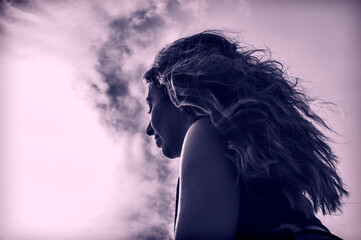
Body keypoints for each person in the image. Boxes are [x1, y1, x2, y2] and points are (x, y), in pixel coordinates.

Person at [144, 30, 348, 240]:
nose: (149, 129)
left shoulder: (208, 131)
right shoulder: (250, 154)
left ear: (175, 90)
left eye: (150, 107)